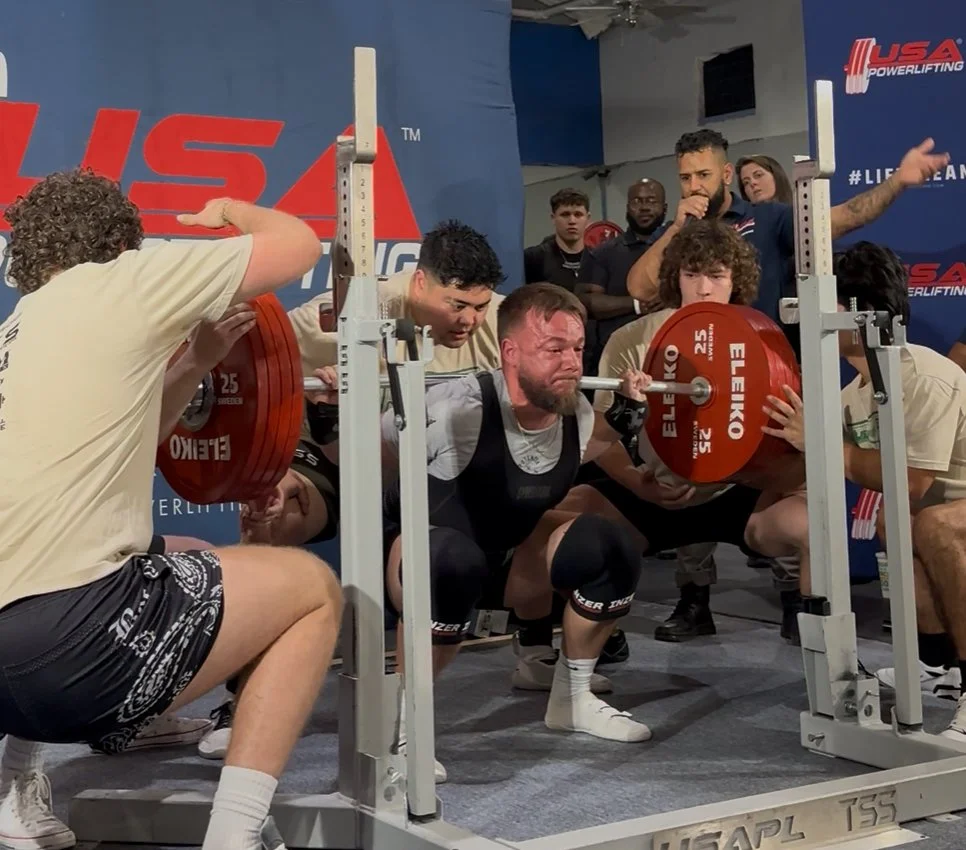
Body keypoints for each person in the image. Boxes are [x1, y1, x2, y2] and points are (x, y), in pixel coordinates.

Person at [0, 171, 343, 850]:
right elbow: (298, 245)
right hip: (67, 661)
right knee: (310, 589)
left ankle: (14, 786)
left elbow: (137, 435)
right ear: (119, 245)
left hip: (12, 669)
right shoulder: (117, 285)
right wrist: (229, 208)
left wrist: (196, 362)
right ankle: (235, 835)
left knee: (184, 554)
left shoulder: (19, 329)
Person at [624, 128, 949, 637]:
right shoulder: (681, 230)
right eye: (685, 177)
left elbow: (843, 218)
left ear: (725, 173)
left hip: (774, 387)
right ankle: (694, 600)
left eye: (704, 174)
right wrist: (679, 225)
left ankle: (799, 605)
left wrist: (898, 181)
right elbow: (639, 285)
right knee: (687, 462)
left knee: (797, 498)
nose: (695, 184)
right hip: (705, 386)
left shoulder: (770, 218)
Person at [380, 283, 655, 781]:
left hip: (510, 569)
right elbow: (367, 454)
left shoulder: (576, 412)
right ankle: (404, 726)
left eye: (577, 349)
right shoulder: (455, 408)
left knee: (611, 544)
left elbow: (595, 443)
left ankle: (572, 699)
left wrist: (627, 411)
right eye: (554, 349)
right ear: (510, 352)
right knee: (451, 561)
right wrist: (328, 416)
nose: (571, 363)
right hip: (431, 567)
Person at [757, 242, 966, 740]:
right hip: (943, 508)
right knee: (897, 521)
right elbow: (814, 466)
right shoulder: (855, 393)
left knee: (931, 522)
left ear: (854, 312)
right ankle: (940, 666)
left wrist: (821, 440)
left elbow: (911, 480)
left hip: (950, 510)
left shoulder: (926, 376)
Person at [523, 188, 590, 292]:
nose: (572, 221)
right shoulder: (533, 258)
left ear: (588, 218)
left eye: (578, 214)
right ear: (553, 218)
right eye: (565, 214)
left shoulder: (598, 259)